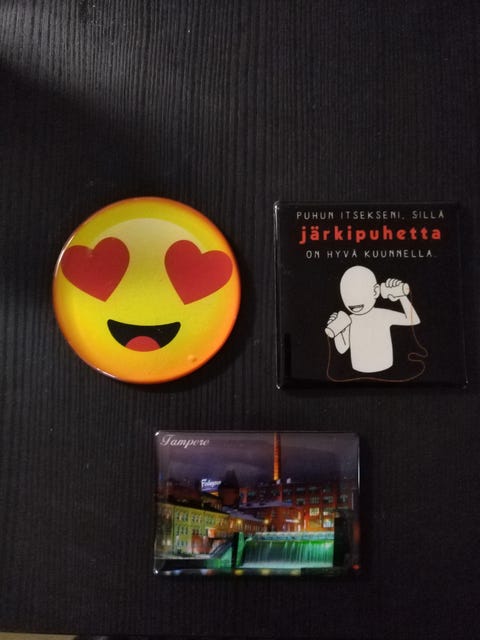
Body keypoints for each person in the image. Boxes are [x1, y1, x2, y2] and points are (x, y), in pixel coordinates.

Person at [326, 265, 420, 373]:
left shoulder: (382, 314)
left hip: (385, 367)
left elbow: (414, 320)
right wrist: (337, 330)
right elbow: (342, 349)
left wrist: (402, 297)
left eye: (360, 291)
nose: (354, 299)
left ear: (375, 291)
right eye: (348, 293)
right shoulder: (349, 320)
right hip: (358, 368)